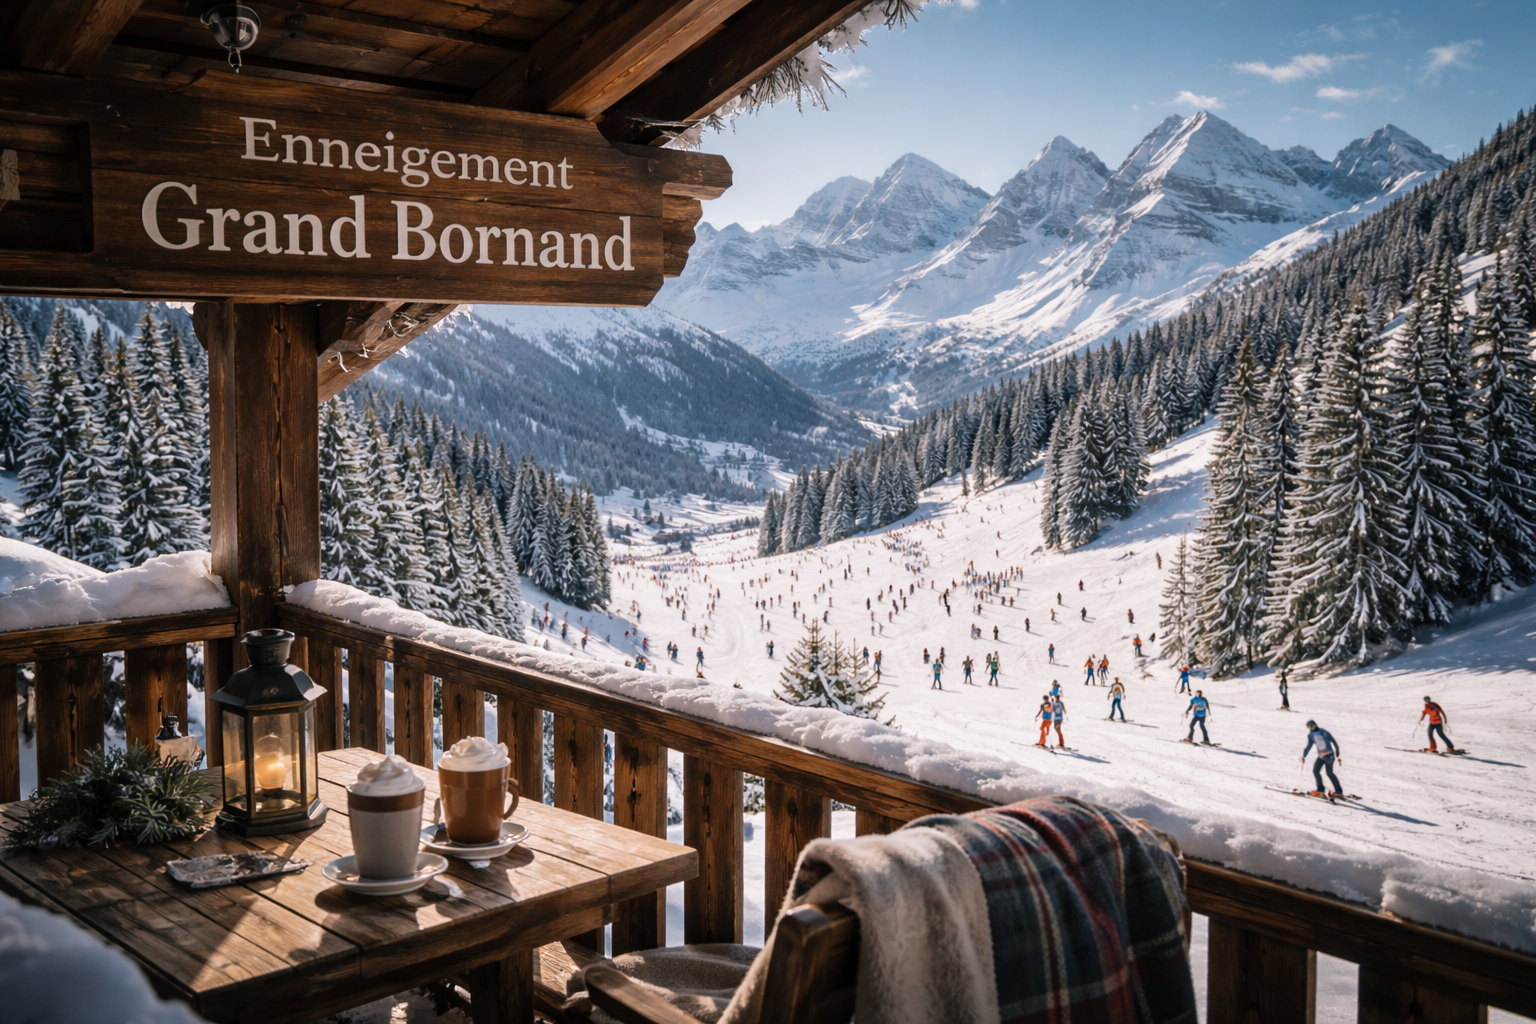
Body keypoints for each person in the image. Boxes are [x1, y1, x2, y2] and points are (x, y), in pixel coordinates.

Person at [1302, 720, 1344, 796]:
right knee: (1317, 771)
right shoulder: (1312, 735)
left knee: (1328, 773)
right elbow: (1309, 746)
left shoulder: (1322, 732)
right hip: (1322, 756)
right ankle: (1325, 790)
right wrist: (1304, 755)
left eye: (1312, 726)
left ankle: (1335, 791)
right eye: (1310, 727)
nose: (1311, 728)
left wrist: (1337, 751)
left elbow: (1333, 741)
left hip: (1328, 756)